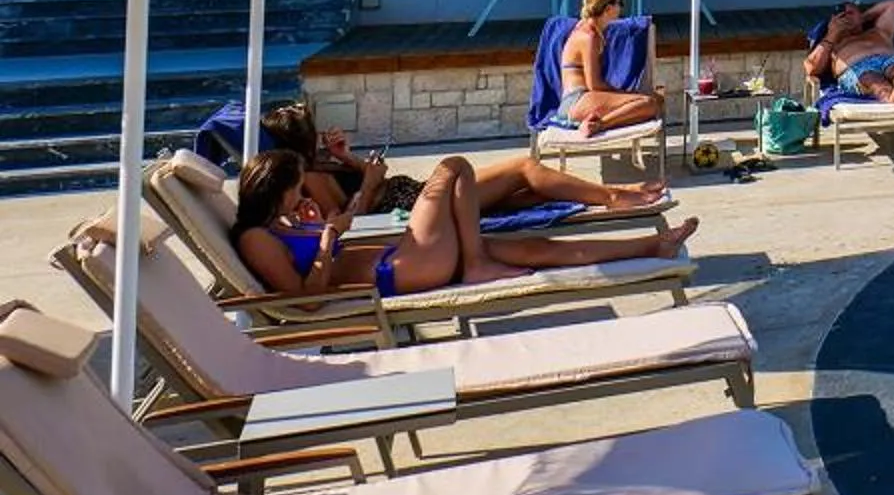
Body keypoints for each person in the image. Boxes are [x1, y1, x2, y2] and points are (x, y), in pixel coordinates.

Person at [229, 149, 694, 301]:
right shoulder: (255, 239)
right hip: (401, 269)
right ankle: (473, 261)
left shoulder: (281, 225)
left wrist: (322, 226)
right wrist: (330, 235)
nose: (302, 195)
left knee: (535, 247)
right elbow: (305, 301)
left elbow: (323, 252)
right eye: (296, 189)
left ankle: (652, 247)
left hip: (406, 260)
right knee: (453, 166)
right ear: (277, 190)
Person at [262, 103, 663, 218]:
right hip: (416, 207)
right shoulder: (308, 180)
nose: (320, 132)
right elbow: (345, 223)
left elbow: (362, 185)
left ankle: (618, 193)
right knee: (525, 168)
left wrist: (346, 159)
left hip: (414, 196)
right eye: (311, 129)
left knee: (531, 194)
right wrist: (369, 182)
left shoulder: (318, 167)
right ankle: (616, 197)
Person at [556, 0, 664, 137]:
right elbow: (594, 84)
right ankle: (598, 125)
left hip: (580, 99)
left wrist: (630, 96)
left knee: (654, 102)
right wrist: (627, 94)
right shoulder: (589, 36)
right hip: (577, 101)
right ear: (608, 8)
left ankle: (598, 122)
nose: (621, 7)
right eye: (619, 2)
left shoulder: (589, 29)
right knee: (650, 104)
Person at [806, 0, 894, 107]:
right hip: (858, 68)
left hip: (891, 60)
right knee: (873, 80)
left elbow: (892, 5)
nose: (846, 16)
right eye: (841, 15)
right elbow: (811, 68)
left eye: (851, 13)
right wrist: (832, 34)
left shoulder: (879, 31)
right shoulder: (833, 43)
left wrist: (861, 19)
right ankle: (893, 98)